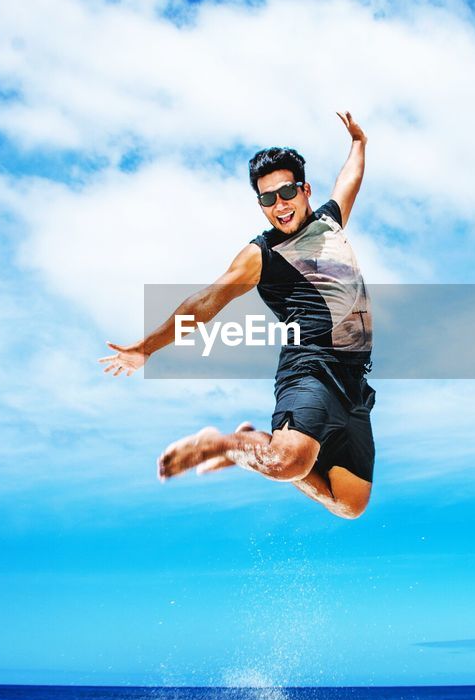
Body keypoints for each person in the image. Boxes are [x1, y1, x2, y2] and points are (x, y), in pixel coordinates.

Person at [99, 112, 375, 519]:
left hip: (353, 380)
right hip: (310, 367)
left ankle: (250, 447)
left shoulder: (329, 222)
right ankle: (223, 444)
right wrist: (146, 349)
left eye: (286, 193)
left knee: (350, 504)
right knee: (287, 464)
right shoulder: (260, 255)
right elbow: (205, 302)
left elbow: (349, 180)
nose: (280, 206)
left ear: (305, 190)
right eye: (268, 199)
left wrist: (358, 142)